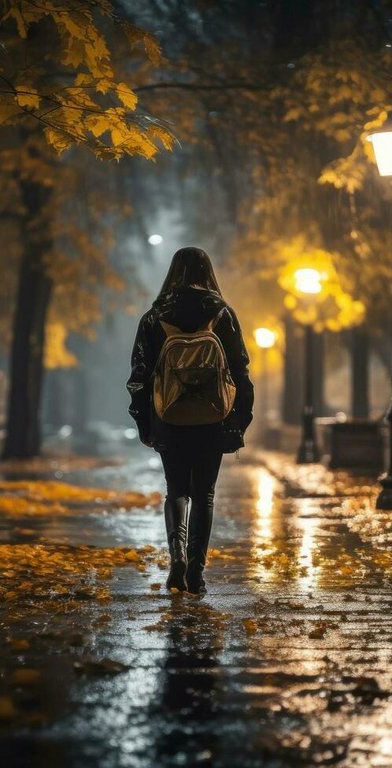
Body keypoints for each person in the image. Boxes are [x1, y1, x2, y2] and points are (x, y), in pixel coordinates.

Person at [126, 247, 254, 594]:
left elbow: (139, 376)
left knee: (177, 490)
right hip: (212, 418)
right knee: (205, 494)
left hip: (169, 418)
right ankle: (196, 572)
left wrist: (144, 423)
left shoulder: (155, 316)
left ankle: (177, 556)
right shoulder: (222, 313)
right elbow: (240, 371)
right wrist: (239, 420)